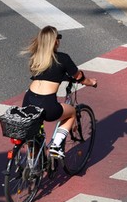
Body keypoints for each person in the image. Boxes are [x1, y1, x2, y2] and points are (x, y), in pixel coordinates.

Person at [22, 26, 98, 158]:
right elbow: (79, 77)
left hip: (28, 100)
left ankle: (32, 165)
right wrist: (91, 82)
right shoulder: (62, 58)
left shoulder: (36, 58)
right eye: (58, 38)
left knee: (34, 132)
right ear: (55, 41)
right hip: (47, 104)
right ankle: (56, 146)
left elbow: (47, 74)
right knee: (72, 113)